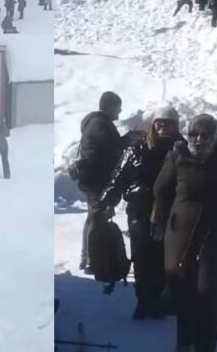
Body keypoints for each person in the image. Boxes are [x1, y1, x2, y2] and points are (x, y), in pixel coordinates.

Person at [152, 114, 217, 352]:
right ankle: (184, 344)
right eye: (194, 135)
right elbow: (161, 190)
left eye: (204, 135)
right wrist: (158, 218)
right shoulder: (178, 156)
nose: (198, 140)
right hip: (181, 237)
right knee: (184, 291)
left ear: (215, 136)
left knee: (211, 292)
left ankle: (206, 345)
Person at [100, 106, 180, 320]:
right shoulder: (136, 148)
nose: (163, 126)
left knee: (166, 258)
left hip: (170, 212)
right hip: (139, 211)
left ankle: (163, 300)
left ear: (176, 125)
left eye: (169, 122)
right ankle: (144, 301)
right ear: (152, 124)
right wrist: (106, 201)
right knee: (143, 258)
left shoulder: (181, 150)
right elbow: (118, 177)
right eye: (159, 122)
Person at [72, 91, 124, 273]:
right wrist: (127, 141)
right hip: (94, 179)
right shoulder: (100, 123)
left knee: (94, 216)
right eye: (118, 108)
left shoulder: (97, 123)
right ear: (109, 107)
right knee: (96, 216)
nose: (119, 113)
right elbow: (107, 150)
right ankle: (90, 259)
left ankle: (88, 256)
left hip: (91, 178)